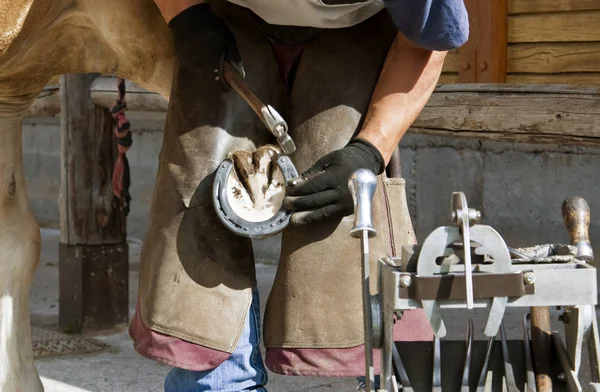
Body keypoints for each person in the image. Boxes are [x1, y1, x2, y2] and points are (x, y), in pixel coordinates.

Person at [128, 0, 469, 390]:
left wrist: (370, 151)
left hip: (357, 31)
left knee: (348, 226)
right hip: (227, 16)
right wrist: (186, 15)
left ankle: (389, 377)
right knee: (199, 205)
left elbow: (424, 44)